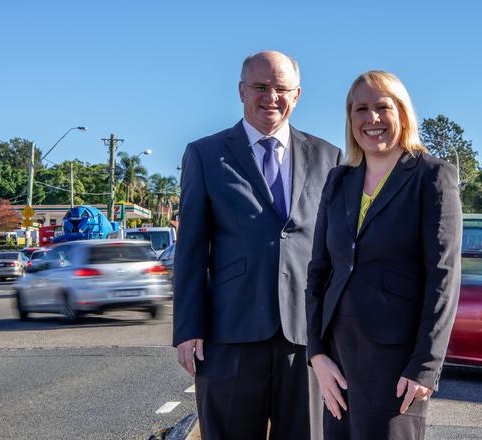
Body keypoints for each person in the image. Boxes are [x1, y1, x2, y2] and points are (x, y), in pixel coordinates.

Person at [173, 50, 342, 440]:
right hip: (230, 333)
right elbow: (192, 250)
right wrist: (187, 328)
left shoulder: (328, 156)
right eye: (261, 87)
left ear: (297, 94)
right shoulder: (205, 154)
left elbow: (336, 252)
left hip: (306, 337)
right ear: (241, 91)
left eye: (281, 88)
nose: (271, 96)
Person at [305, 70, 462, 439]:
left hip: (397, 364)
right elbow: (318, 270)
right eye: (361, 109)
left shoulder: (432, 177)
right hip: (337, 359)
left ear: (402, 114)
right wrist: (317, 353)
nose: (371, 119)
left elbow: (443, 277)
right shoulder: (339, 180)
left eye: (381, 107)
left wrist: (425, 366)